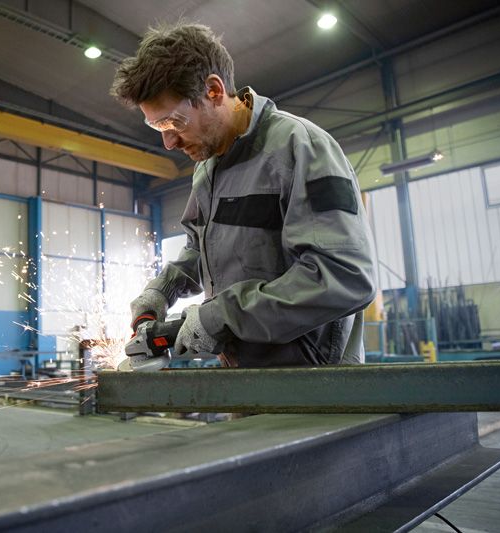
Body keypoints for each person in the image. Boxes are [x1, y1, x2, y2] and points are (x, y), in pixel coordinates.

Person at [111, 22, 376, 367]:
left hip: (315, 381)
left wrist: (219, 317)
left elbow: (345, 277)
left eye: (173, 122)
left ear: (213, 90)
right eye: (158, 126)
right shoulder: (207, 169)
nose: (169, 142)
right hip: (242, 375)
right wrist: (162, 290)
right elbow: (201, 251)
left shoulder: (300, 147)